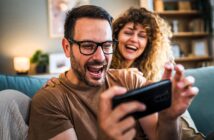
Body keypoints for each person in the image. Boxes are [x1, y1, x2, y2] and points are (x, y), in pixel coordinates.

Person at [28, 5, 203, 140]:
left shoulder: (131, 78)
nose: (100, 57)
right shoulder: (50, 100)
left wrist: (168, 118)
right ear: (67, 47)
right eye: (88, 46)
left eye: (106, 46)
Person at [111, 7, 173, 82]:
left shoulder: (149, 75)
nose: (134, 39)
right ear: (115, 35)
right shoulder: (101, 68)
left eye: (142, 36)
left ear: (149, 44)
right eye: (128, 33)